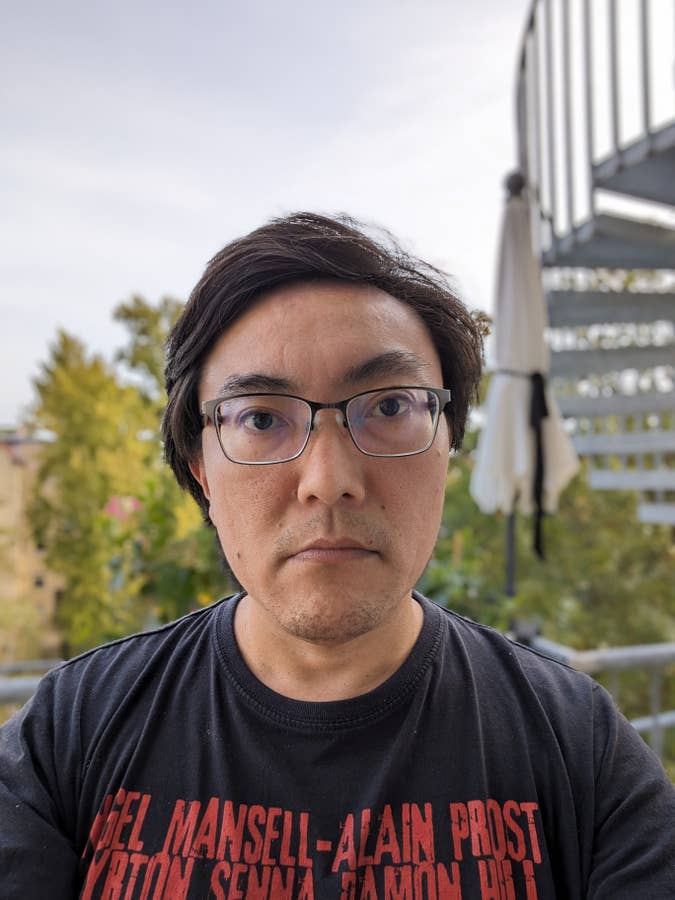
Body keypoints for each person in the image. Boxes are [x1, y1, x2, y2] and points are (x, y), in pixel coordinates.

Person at [1, 212, 673, 899]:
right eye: (261, 417)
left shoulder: (578, 748)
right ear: (201, 470)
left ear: (448, 445)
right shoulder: (70, 735)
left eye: (389, 407)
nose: (327, 480)